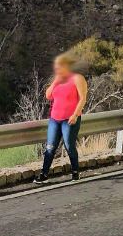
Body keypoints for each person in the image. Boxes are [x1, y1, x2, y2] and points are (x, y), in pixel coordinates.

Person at [34, 53, 88, 184]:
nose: (57, 69)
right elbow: (48, 96)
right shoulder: (58, 79)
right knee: (50, 147)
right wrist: (55, 82)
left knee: (69, 146)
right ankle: (44, 174)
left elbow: (82, 98)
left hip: (70, 119)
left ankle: (75, 172)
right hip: (55, 119)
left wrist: (75, 115)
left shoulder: (77, 78)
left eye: (59, 66)